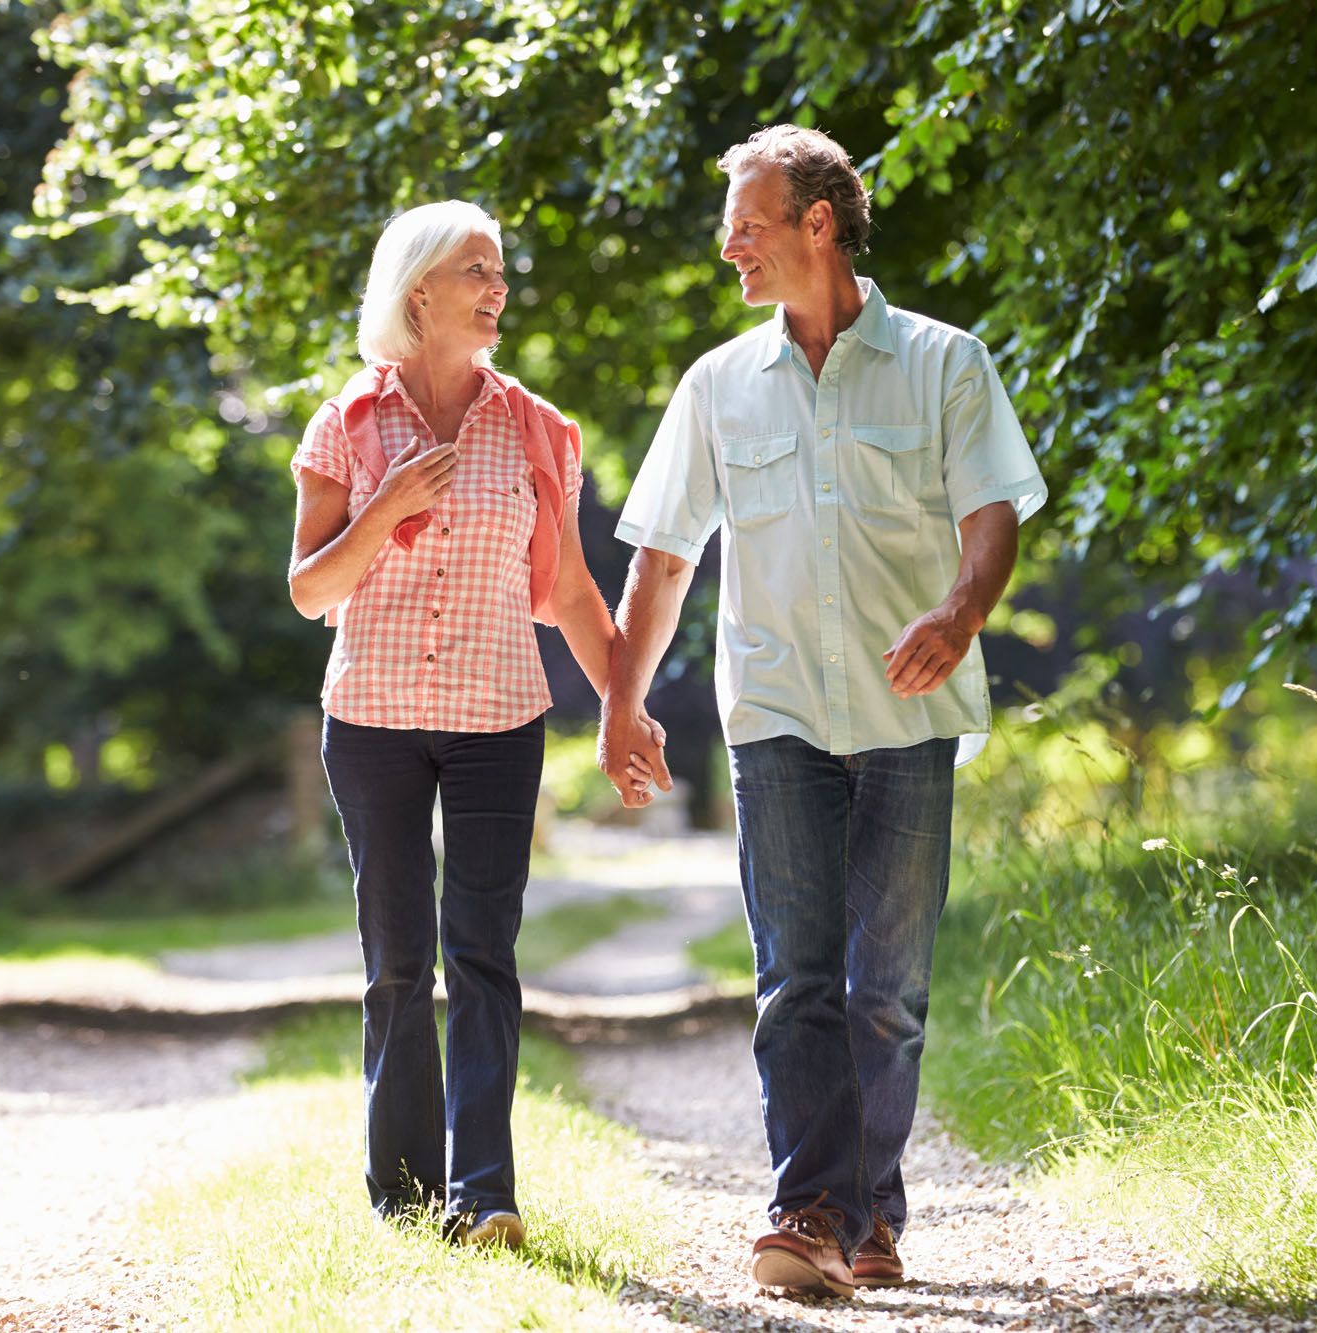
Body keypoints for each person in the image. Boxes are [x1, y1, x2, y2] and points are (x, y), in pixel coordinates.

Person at [597, 126, 1047, 1297]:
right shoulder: (715, 385)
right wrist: (620, 702)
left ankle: (871, 1213)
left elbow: (991, 511)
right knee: (793, 980)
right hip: (778, 711)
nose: (726, 245)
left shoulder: (944, 363)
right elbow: (659, 558)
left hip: (909, 713)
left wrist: (956, 613)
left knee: (882, 990)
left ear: (817, 223)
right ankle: (806, 1207)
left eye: (746, 221)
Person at [288, 200, 655, 1249]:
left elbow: (578, 594)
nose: (498, 289)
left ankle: (483, 1194)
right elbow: (311, 590)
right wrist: (385, 506)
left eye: (499, 272)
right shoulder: (345, 426)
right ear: (418, 292)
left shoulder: (534, 428)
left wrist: (624, 707)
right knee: (397, 959)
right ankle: (404, 1200)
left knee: (482, 952)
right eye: (476, 272)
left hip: (499, 718)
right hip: (372, 722)